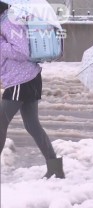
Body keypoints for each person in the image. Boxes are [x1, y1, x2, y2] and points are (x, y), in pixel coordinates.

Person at [0, 3, 65, 179]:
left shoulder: (8, 22)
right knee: (32, 125)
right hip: (26, 78)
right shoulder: (6, 20)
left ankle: (55, 168)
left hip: (21, 80)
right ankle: (55, 168)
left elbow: (22, 51)